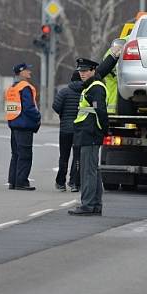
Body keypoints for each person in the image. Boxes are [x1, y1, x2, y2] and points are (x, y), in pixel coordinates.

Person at [68, 57, 108, 215]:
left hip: (90, 133)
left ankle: (88, 205)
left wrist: (103, 130)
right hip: (87, 133)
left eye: (85, 71)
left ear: (93, 71)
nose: (82, 74)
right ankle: (95, 204)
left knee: (88, 171)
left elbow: (100, 111)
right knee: (93, 170)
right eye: (80, 71)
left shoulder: (96, 88)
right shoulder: (90, 86)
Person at [5, 62, 41, 191]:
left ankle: (13, 181)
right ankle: (21, 182)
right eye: (27, 70)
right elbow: (29, 108)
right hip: (24, 126)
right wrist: (38, 117)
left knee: (16, 154)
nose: (29, 72)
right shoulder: (25, 87)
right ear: (21, 72)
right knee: (25, 155)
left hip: (14, 124)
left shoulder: (12, 87)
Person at [53, 71, 83, 192]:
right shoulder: (84, 92)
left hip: (65, 129)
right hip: (79, 129)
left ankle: (60, 182)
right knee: (77, 157)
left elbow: (55, 106)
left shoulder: (64, 92)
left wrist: (63, 114)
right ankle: (74, 183)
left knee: (64, 156)